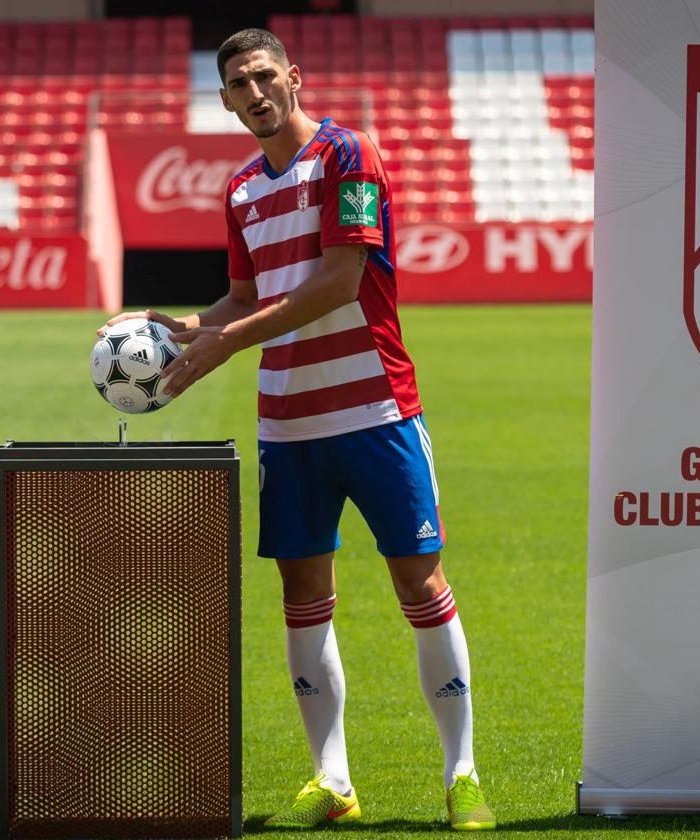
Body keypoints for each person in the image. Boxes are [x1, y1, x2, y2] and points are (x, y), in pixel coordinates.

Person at [99, 27, 495, 832]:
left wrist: (225, 345)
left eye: (264, 76)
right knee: (303, 595)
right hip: (289, 424)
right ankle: (332, 779)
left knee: (419, 586)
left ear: (294, 77)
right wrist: (188, 326)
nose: (254, 92)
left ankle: (462, 775)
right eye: (238, 83)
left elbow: (342, 280)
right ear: (223, 99)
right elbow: (244, 300)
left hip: (376, 409)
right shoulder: (241, 189)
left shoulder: (351, 157)